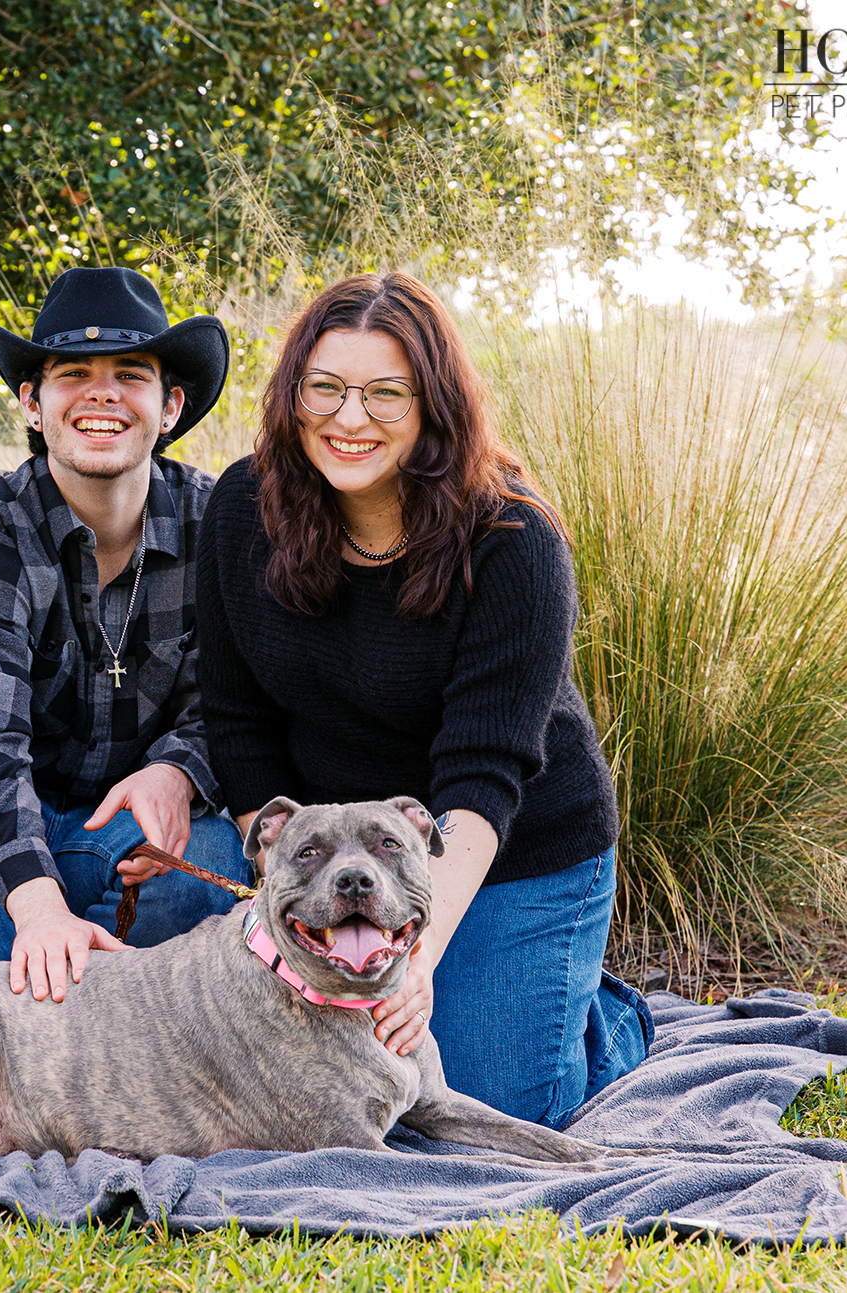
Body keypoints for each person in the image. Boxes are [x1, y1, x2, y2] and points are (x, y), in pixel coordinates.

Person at [196, 272, 652, 1130]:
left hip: (512, 848)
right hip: (331, 858)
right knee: (322, 1082)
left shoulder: (514, 538)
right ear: (293, 397)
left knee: (483, 1102)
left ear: (434, 405)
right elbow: (238, 724)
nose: (349, 417)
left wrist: (417, 951)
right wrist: (283, 897)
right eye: (324, 388)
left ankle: (599, 1013)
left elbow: (483, 776)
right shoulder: (240, 511)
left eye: (385, 393)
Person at [0, 267, 251, 1003]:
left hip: (125, 844)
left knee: (210, 855)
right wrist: (36, 903)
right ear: (33, 405)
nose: (102, 393)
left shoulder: (220, 523)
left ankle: (116, 1017)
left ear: (169, 406)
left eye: (129, 374)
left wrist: (177, 770)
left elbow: (236, 702)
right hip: (1, 851)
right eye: (74, 373)